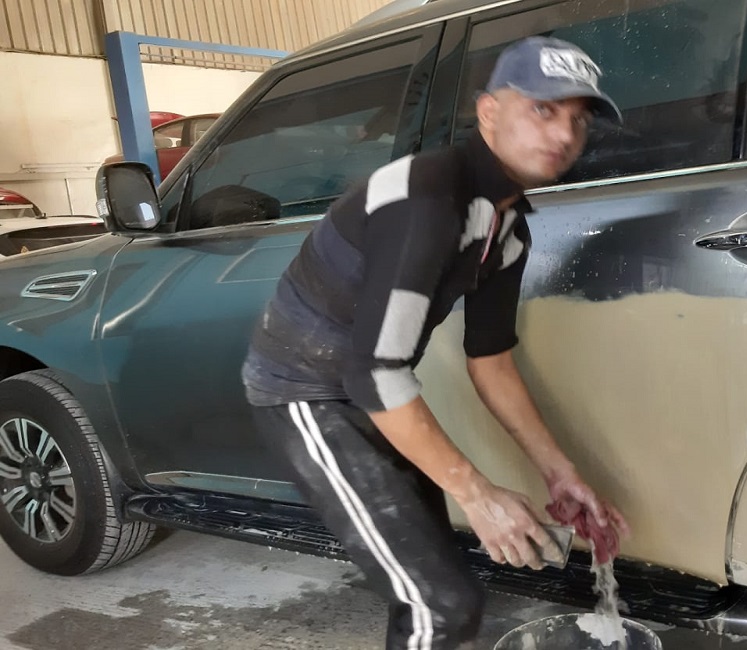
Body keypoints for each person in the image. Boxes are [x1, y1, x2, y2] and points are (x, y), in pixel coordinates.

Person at [242, 36, 630, 650]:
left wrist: (561, 475)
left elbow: (490, 360)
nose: (563, 134)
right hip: (307, 391)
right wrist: (477, 492)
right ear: (489, 112)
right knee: (440, 601)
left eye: (579, 120)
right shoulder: (427, 197)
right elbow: (374, 373)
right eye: (543, 109)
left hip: (375, 392)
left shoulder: (506, 226)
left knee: (431, 585)